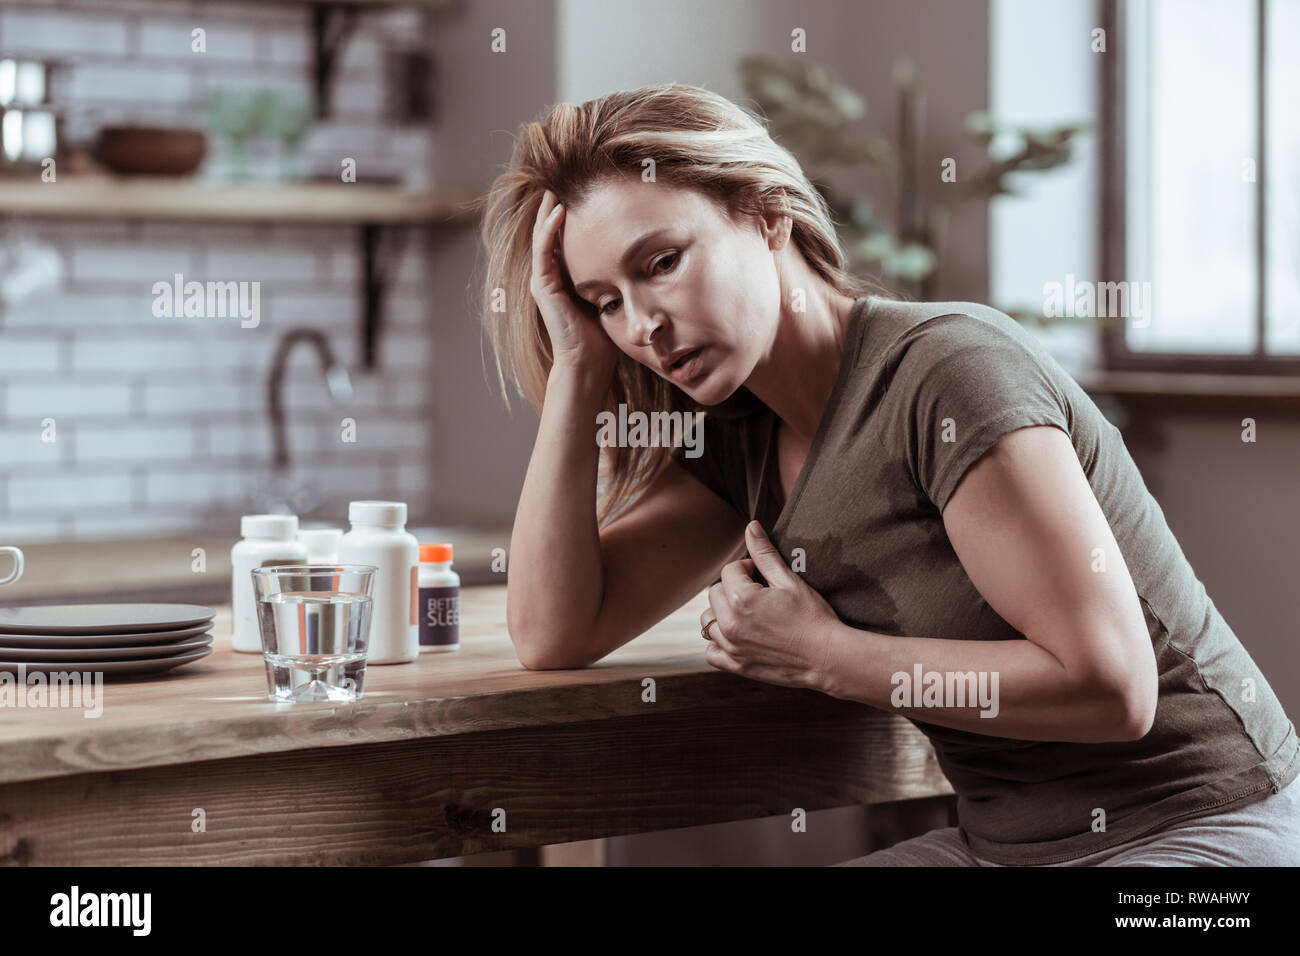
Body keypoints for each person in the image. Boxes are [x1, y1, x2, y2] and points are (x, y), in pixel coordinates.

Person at [474, 82, 1300, 866]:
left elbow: (1113, 692)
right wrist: (578, 370)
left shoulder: (948, 372)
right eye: (604, 300)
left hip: (1207, 833)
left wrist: (826, 654)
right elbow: (555, 633)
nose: (643, 324)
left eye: (660, 263)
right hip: (1005, 851)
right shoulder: (738, 433)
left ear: (766, 217)